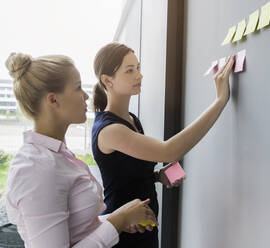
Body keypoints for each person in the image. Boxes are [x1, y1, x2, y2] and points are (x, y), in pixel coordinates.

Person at [4, 52, 158, 248]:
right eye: (77, 88)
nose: (86, 95)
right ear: (53, 101)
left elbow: (75, 230)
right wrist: (118, 219)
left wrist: (119, 220)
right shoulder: (38, 169)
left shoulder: (58, 155)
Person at [91, 42, 234, 248]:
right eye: (129, 71)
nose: (139, 75)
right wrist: (219, 101)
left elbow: (124, 174)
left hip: (145, 227)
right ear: (107, 80)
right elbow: (169, 151)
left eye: (138, 68)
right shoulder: (110, 130)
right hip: (124, 234)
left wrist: (157, 177)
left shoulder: (131, 119)